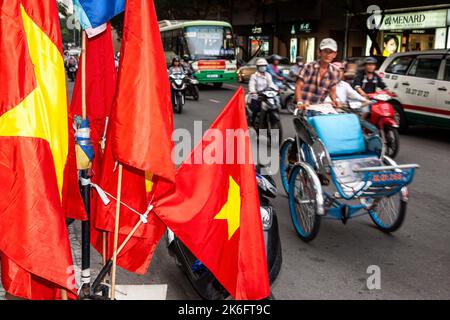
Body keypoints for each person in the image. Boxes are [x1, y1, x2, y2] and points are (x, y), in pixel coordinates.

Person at [295, 38, 341, 110]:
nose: (327, 55)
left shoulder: (336, 71)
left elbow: (332, 90)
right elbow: (298, 86)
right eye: (325, 51)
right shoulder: (308, 67)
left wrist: (335, 100)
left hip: (319, 109)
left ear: (334, 54)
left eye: (331, 52)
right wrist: (299, 102)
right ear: (319, 52)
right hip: (304, 108)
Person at [248, 58, 279, 126]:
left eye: (264, 66)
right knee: (256, 110)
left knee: (275, 106)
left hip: (266, 96)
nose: (263, 67)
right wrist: (253, 91)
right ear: (258, 67)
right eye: (261, 66)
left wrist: (276, 89)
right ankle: (252, 124)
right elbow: (251, 85)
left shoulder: (268, 75)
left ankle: (271, 123)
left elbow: (271, 84)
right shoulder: (254, 76)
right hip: (257, 96)